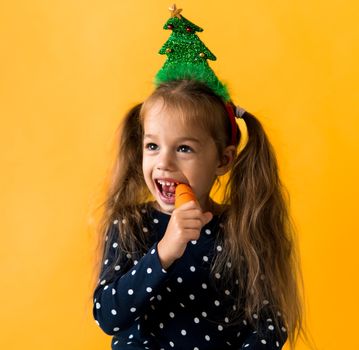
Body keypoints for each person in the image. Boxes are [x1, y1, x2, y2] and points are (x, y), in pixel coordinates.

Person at [92, 5, 306, 350]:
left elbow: (269, 327)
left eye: (184, 149)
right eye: (152, 145)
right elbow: (107, 315)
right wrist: (164, 252)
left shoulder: (239, 230)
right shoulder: (130, 224)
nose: (164, 162)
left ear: (222, 160)